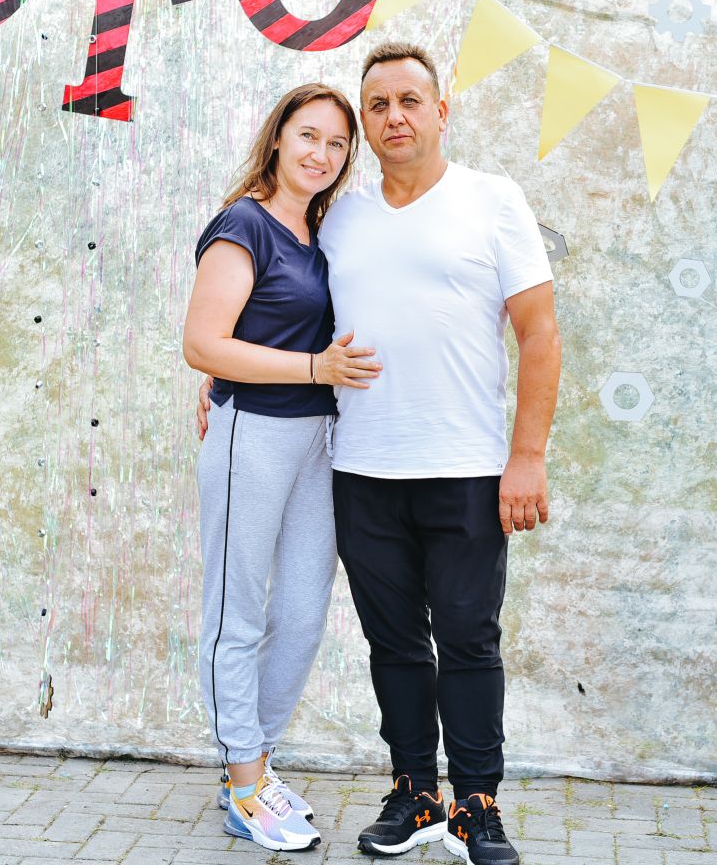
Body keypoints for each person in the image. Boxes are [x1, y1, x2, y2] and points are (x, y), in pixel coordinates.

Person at [202, 44, 561, 865]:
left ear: (441, 112)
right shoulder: (341, 218)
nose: (394, 116)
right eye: (377, 105)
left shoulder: (493, 200)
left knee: (469, 640)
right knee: (394, 645)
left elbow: (539, 334)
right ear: (367, 123)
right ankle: (414, 792)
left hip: (467, 468)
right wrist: (216, 377)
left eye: (409, 100)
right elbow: (281, 308)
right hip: (360, 468)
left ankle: (476, 804)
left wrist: (528, 456)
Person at [182, 82, 382, 854]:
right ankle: (243, 782)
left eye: (336, 144)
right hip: (253, 437)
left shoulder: (320, 230)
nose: (321, 154)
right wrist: (312, 368)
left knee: (300, 614)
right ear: (277, 139)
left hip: (317, 442)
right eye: (308, 136)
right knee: (235, 613)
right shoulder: (245, 224)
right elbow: (203, 344)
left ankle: (254, 765)